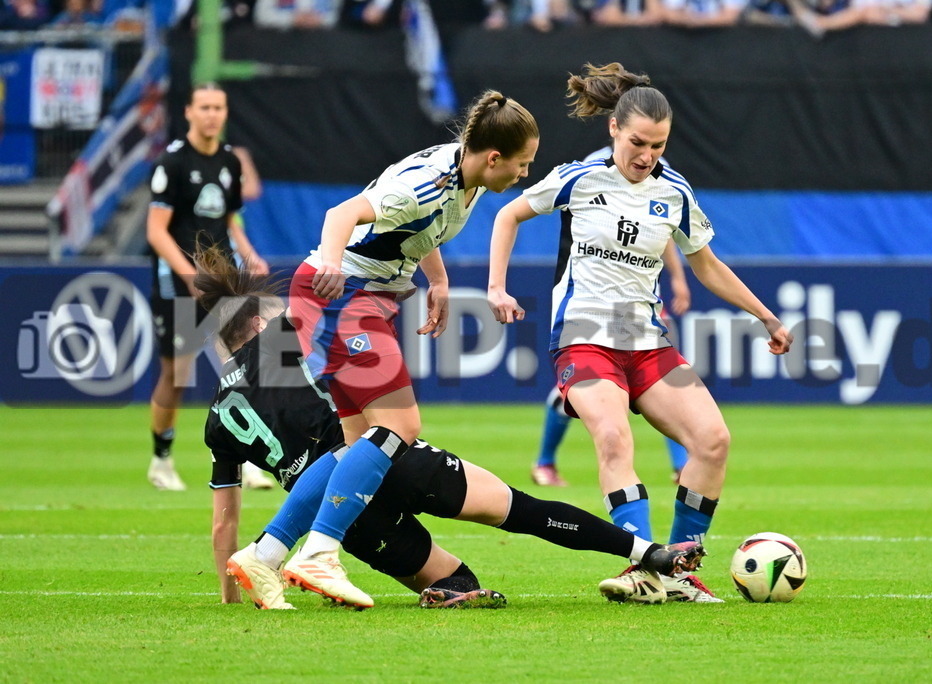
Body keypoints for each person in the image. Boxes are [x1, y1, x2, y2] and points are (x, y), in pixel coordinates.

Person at [191, 247, 709, 609]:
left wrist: (230, 596)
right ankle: (648, 554)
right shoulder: (277, 342)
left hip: (350, 520)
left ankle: (273, 559)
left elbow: (222, 526)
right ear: (257, 324)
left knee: (461, 583)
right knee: (521, 512)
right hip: (378, 459)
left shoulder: (217, 420)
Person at [487, 62, 792, 603]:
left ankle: (677, 572)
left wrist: (764, 315)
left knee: (713, 441)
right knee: (612, 436)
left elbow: (707, 264)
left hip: (646, 343)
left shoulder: (674, 192)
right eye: (637, 142)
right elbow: (507, 215)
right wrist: (496, 287)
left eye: (657, 145)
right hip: (583, 338)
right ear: (613, 130)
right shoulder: (578, 178)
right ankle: (641, 564)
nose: (646, 156)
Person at [278, 90, 541, 605]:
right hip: (339, 292)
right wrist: (332, 262)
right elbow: (341, 213)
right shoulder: (423, 184)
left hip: (360, 295)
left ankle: (265, 555)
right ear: (493, 158)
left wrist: (437, 281)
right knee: (400, 426)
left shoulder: (467, 177)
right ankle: (319, 554)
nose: (524, 174)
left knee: (357, 445)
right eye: (522, 164)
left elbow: (422, 233)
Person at [146, 82, 270, 492]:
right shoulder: (173, 162)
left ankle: (250, 459)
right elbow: (156, 231)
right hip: (178, 284)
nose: (211, 114)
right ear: (189, 112)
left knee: (246, 367)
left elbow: (230, 220)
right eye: (204, 107)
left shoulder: (230, 161)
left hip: (223, 280)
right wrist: (188, 275)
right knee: (177, 375)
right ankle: (161, 459)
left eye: (218, 107)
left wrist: (250, 254)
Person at [532, 241, 691, 487]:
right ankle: (545, 462)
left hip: (644, 304)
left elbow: (665, 231)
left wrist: (678, 277)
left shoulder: (656, 208)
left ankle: (682, 467)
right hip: (598, 305)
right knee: (576, 390)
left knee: (668, 380)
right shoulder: (593, 209)